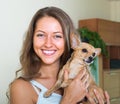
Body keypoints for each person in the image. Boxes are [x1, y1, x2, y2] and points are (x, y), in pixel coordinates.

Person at [9, 6, 110, 104]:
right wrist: (68, 100)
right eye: (41, 35)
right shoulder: (21, 88)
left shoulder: (83, 79)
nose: (48, 44)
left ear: (69, 41)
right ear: (32, 39)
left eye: (57, 36)